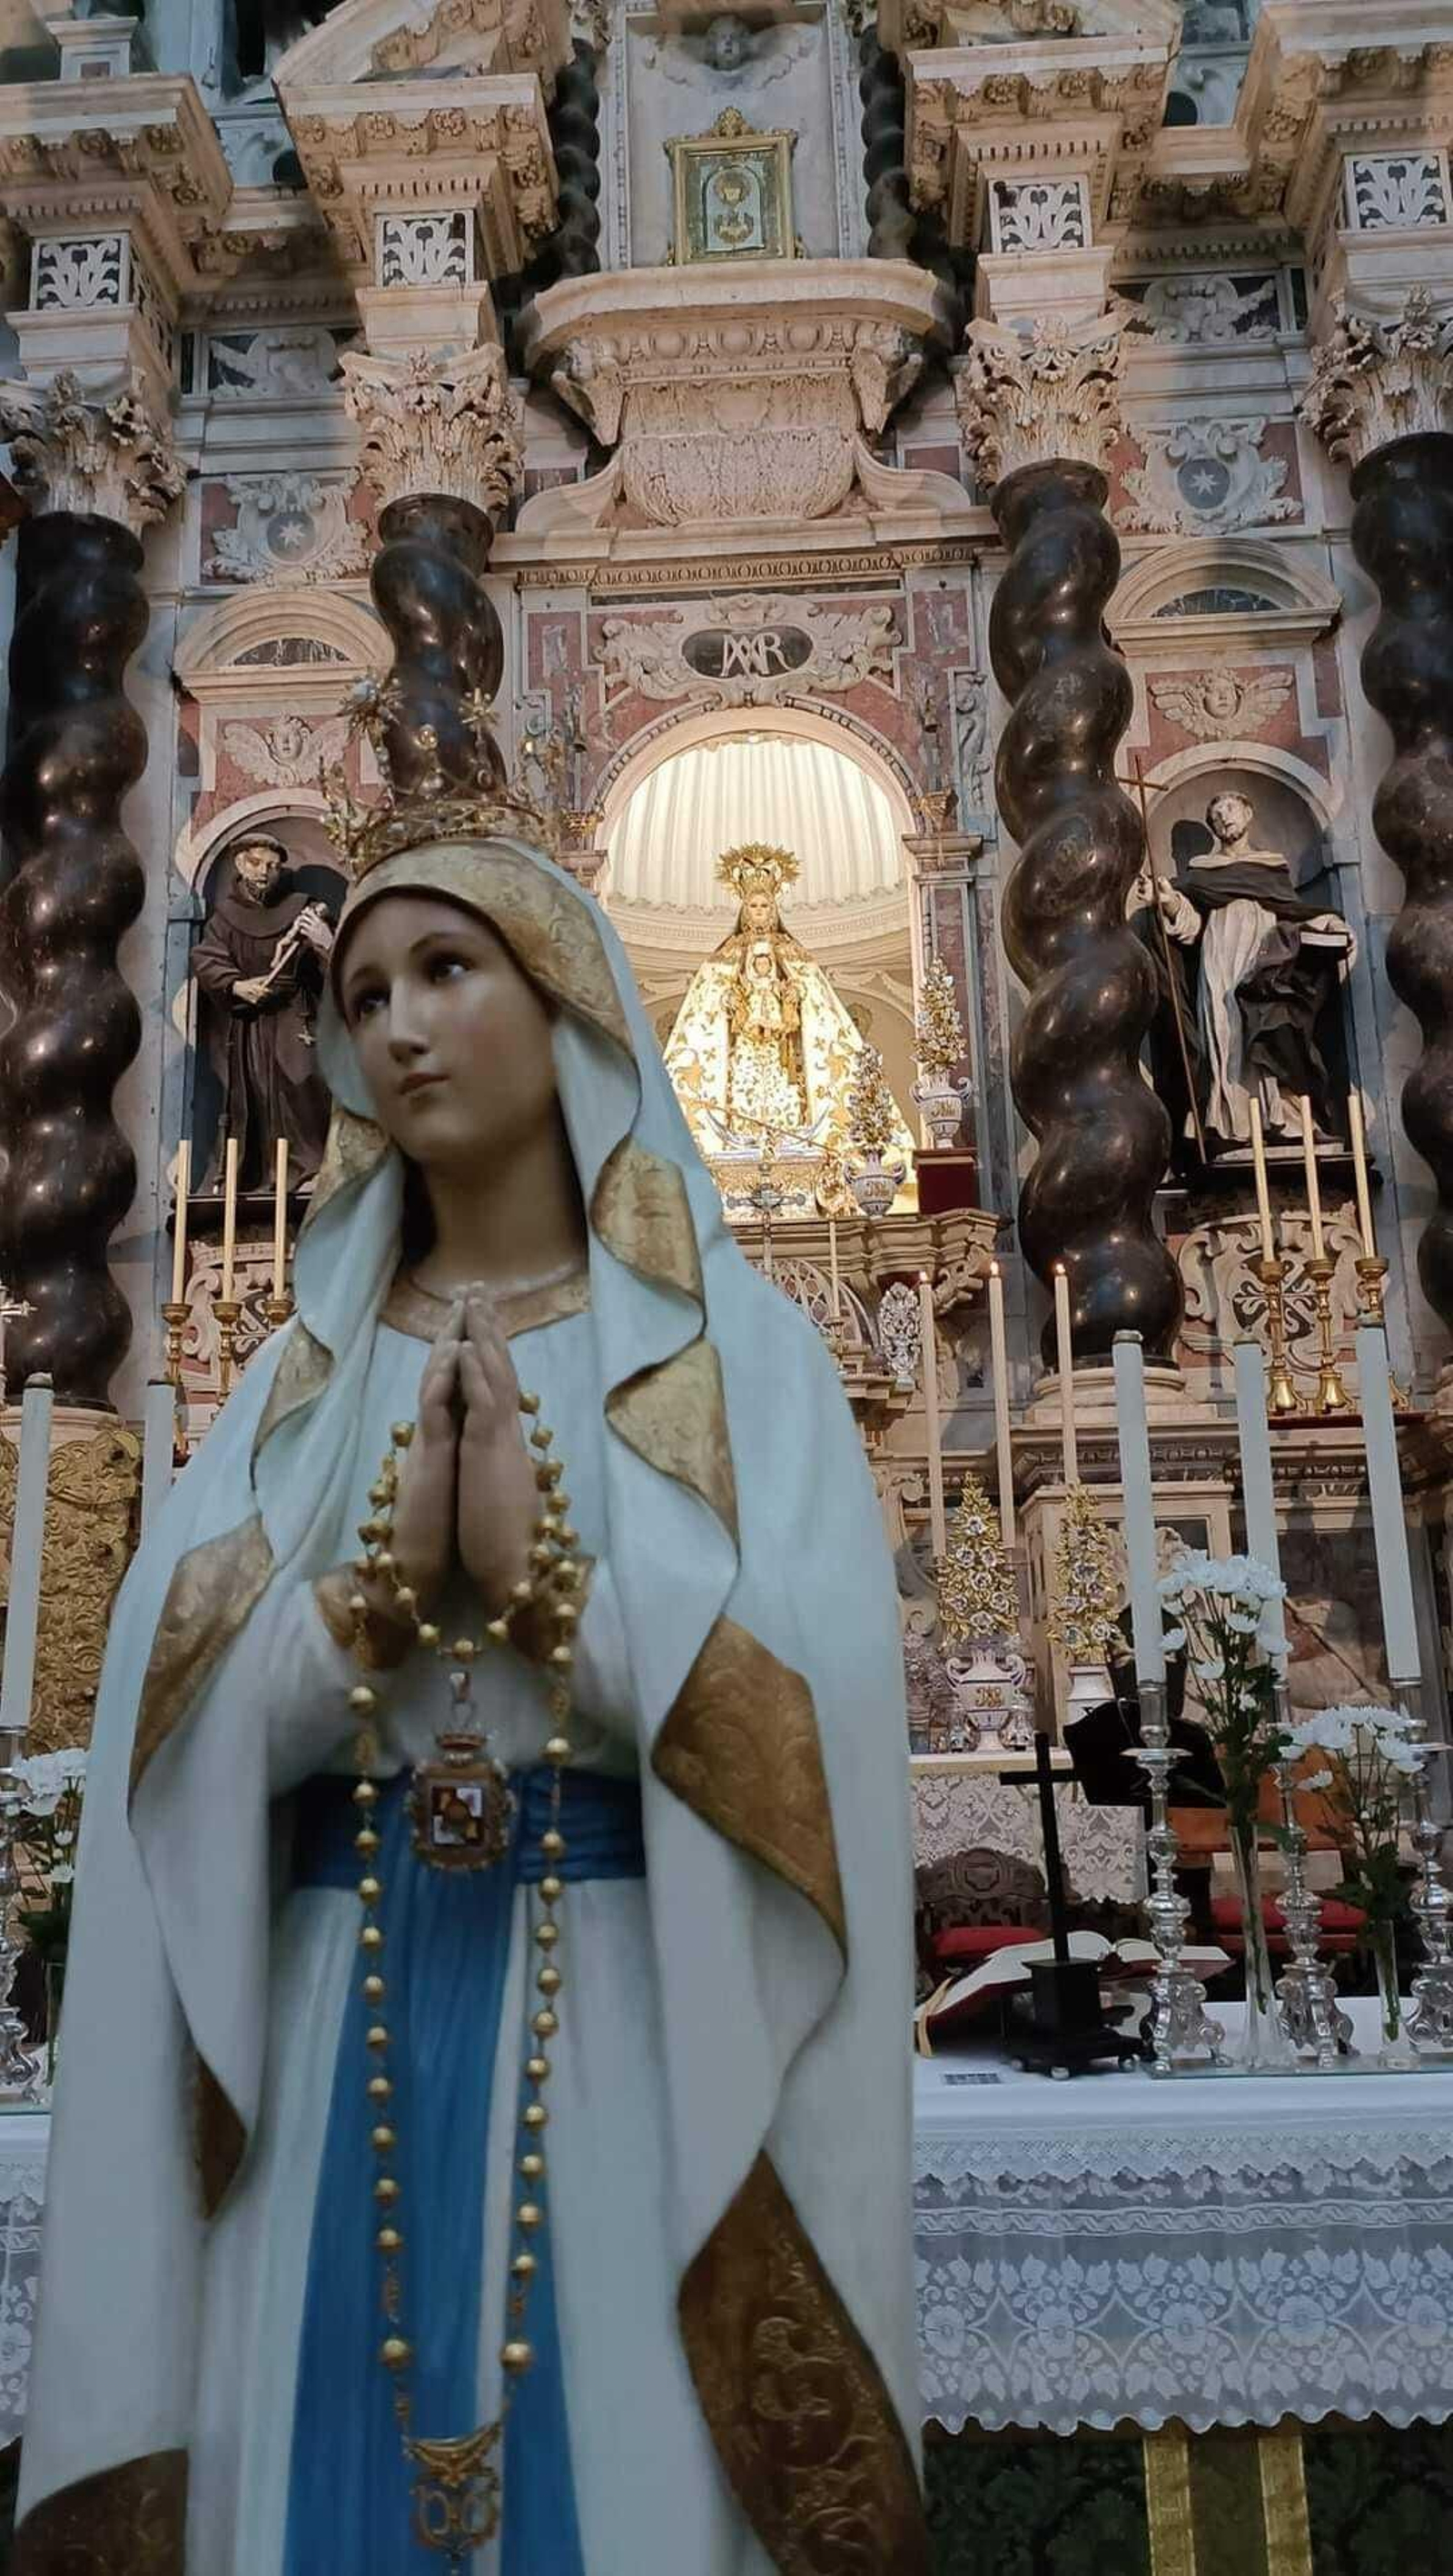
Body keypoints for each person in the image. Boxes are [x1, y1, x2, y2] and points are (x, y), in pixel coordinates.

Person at [15, 825, 926, 2574]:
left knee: (632, 2482)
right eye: (363, 995)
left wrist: (543, 1590)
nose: (396, 1028)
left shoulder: (726, 1350)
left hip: (634, 2040)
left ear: (567, 998)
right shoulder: (307, 1371)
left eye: (447, 972)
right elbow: (168, 1719)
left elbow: (822, 1723)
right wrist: (363, 1608)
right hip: (329, 2031)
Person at [664, 842, 915, 1167]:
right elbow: (706, 1018)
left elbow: (817, 1013)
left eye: (765, 905)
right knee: (742, 1091)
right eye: (753, 905)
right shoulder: (722, 960)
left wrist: (792, 1002)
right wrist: (730, 1004)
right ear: (744, 908)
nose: (759, 911)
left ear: (774, 909)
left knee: (785, 1090)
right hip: (742, 1054)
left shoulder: (795, 957)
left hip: (784, 1057)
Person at [1133, 790, 1355, 1152]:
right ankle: (1232, 1123)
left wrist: (1328, 921)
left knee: (1272, 1027)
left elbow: (1292, 911)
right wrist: (1168, 900)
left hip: (1265, 958)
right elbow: (1188, 928)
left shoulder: (1270, 866)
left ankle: (1283, 1117)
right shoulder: (1201, 874)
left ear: (1249, 813)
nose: (1224, 818)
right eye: (1216, 815)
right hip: (1219, 959)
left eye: (1230, 809)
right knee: (1226, 1035)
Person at [192, 832, 337, 1189]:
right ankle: (257, 1177)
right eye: (257, 863)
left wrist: (325, 941)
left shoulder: (302, 908)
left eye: (272, 866)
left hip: (296, 1015)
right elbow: (207, 959)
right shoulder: (224, 919)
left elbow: (338, 971)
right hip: (250, 1023)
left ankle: (308, 1170)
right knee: (255, 1094)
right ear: (240, 864)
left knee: (303, 1081)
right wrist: (237, 985)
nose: (264, 872)